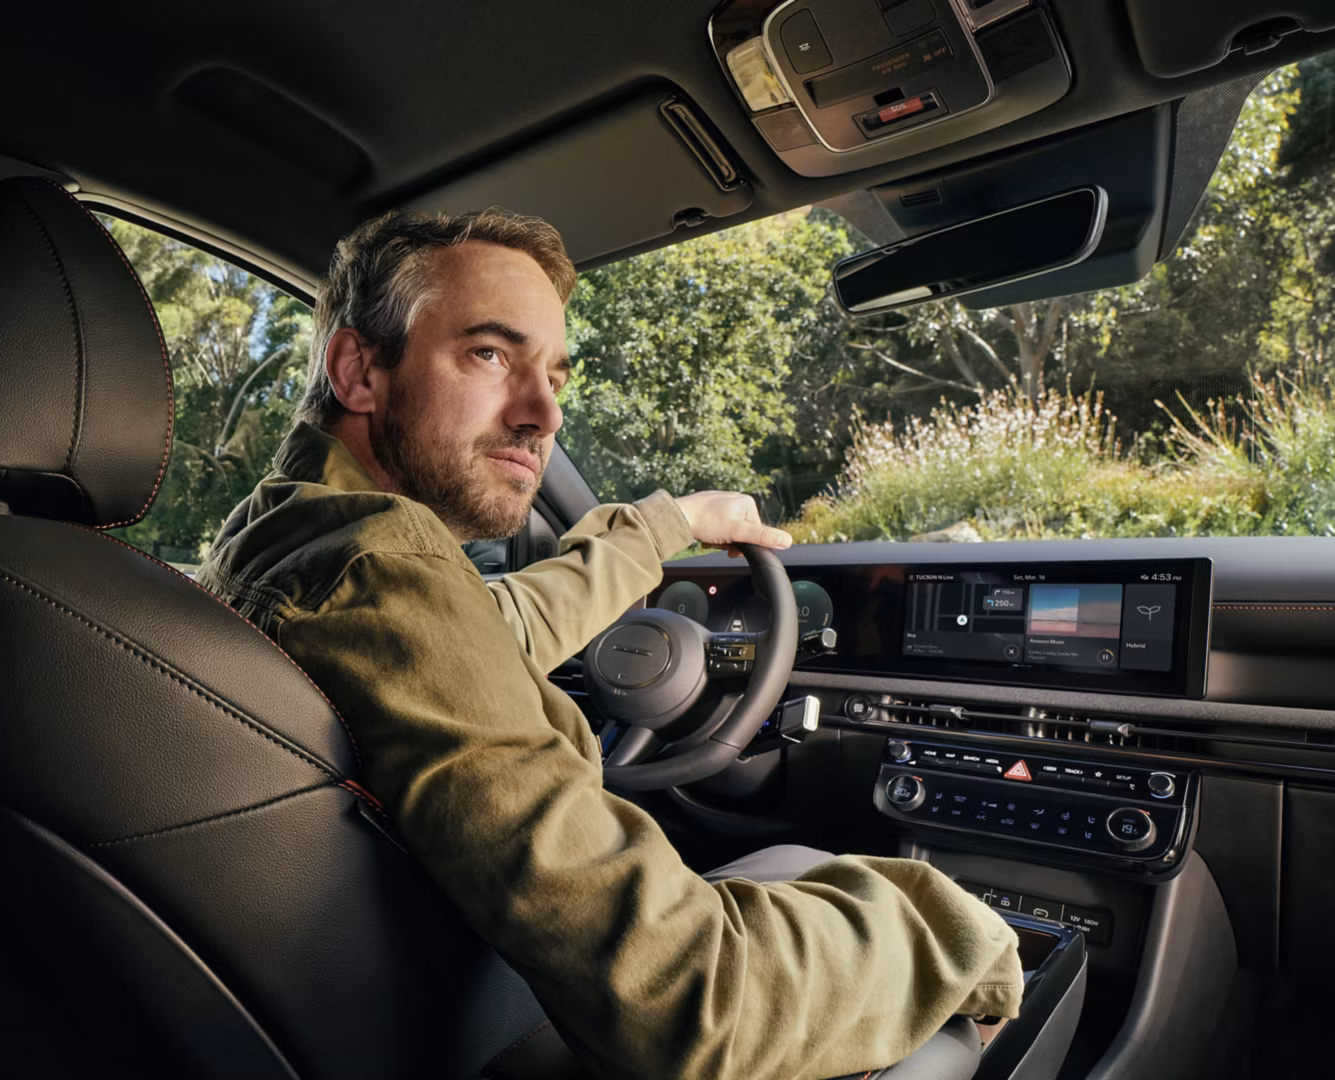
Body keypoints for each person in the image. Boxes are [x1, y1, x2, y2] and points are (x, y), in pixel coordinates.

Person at [196, 208, 1022, 1079]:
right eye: (490, 354)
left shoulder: (280, 536)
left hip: (384, 1004)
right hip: (500, 1026)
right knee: (939, 988)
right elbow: (688, 1002)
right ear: (358, 370)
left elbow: (486, 628)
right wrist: (956, 929)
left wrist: (670, 523)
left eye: (555, 373)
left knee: (796, 871)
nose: (543, 411)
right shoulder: (378, 568)